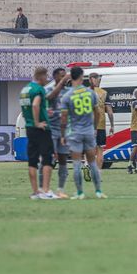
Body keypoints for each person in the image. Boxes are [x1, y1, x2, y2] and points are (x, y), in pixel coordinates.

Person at [60, 67, 104, 199]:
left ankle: (80, 193)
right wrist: (94, 127)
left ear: (70, 77)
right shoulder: (90, 93)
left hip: (75, 133)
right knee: (92, 162)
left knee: (77, 164)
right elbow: (97, 113)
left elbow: (64, 118)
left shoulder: (67, 96)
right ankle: (98, 191)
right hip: (89, 131)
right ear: (81, 76)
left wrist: (63, 135)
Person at [19, 67, 56, 200]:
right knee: (47, 158)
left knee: (32, 160)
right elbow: (35, 105)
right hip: (41, 128)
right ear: (40, 76)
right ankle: (45, 190)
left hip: (29, 128)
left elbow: (25, 109)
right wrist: (37, 122)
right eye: (46, 76)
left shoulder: (24, 90)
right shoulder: (39, 89)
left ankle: (35, 192)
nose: (47, 79)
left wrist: (31, 122)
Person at [45, 67, 72, 199]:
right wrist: (61, 84)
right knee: (48, 160)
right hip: (50, 129)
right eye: (61, 76)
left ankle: (60, 189)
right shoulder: (48, 90)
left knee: (63, 159)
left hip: (64, 130)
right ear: (55, 77)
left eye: (64, 76)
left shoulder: (68, 92)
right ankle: (44, 189)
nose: (63, 79)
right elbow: (50, 98)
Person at [89, 72, 114, 171]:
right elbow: (110, 112)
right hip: (100, 125)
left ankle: (88, 167)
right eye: (98, 79)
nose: (98, 81)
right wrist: (112, 125)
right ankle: (98, 172)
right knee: (100, 149)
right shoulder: (104, 93)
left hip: (88, 125)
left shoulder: (84, 92)